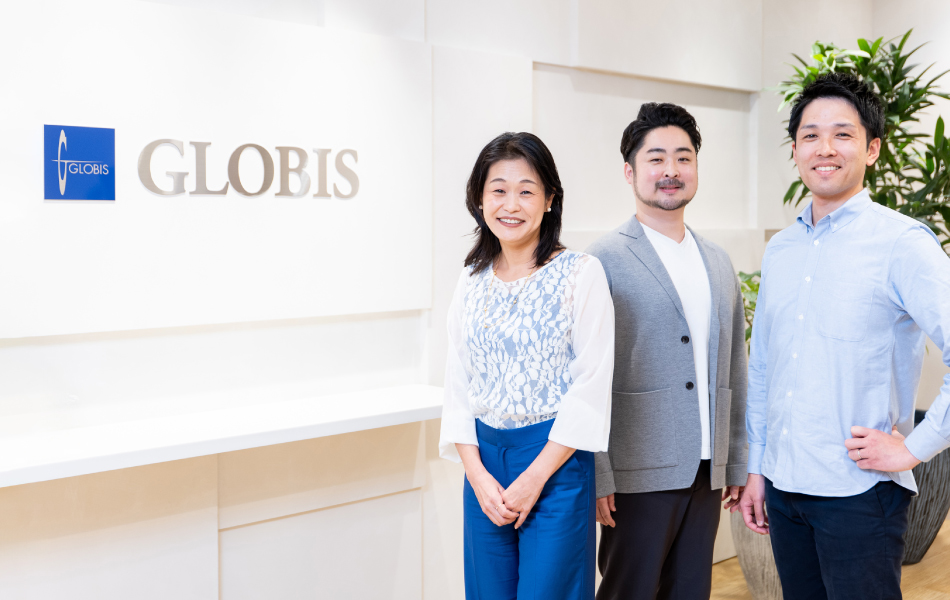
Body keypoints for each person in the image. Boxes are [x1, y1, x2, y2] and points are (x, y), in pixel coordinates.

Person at [741, 72, 950, 599]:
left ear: (872, 148)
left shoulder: (902, 243)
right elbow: (763, 366)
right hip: (784, 487)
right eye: (810, 135)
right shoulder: (781, 250)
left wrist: (916, 447)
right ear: (795, 150)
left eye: (843, 134)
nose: (825, 148)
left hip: (858, 493)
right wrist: (757, 468)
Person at [439, 132, 615, 600]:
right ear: (480, 199)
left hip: (555, 464)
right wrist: (476, 475)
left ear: (550, 198)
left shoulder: (581, 273)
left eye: (526, 190)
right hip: (484, 466)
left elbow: (591, 387)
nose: (511, 205)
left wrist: (534, 478)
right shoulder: (470, 279)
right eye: (498, 190)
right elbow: (458, 383)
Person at [587, 103, 749, 600]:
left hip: (705, 470)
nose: (671, 170)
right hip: (634, 472)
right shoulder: (601, 260)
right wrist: (599, 472)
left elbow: (734, 368)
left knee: (690, 591)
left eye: (683, 157)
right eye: (656, 158)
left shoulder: (717, 261)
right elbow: (584, 377)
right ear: (629, 171)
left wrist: (734, 460)